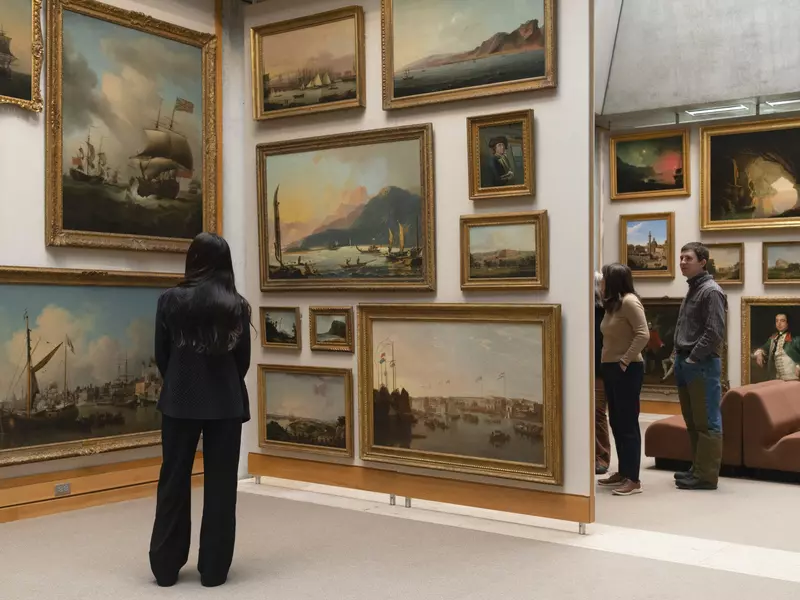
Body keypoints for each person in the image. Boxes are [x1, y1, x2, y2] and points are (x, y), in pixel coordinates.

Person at [149, 233, 252, 587]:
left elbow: (162, 356)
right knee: (222, 487)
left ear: (193, 259)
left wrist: (180, 380)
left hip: (179, 401)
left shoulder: (169, 300)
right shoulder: (236, 305)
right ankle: (214, 571)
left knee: (173, 481)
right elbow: (243, 363)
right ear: (225, 264)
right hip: (225, 403)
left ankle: (165, 567)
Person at [672, 242, 727, 491]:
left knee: (707, 422)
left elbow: (715, 332)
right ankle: (698, 469)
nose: (682, 262)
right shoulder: (693, 289)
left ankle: (706, 476)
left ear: (703, 262)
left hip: (701, 363)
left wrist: (693, 357)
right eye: (681, 257)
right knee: (693, 420)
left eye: (688, 258)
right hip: (687, 362)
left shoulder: (710, 291)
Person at [598, 263, 649, 496]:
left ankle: (633, 479)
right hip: (611, 369)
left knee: (628, 424)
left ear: (615, 280)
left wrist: (625, 361)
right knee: (616, 423)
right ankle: (623, 472)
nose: (601, 283)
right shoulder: (612, 305)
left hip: (627, 370)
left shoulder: (629, 301)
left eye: (604, 279)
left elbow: (643, 334)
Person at [594, 271, 611, 475]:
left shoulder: (606, 311)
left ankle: (602, 457)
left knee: (598, 414)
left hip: (600, 369)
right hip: (587, 367)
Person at [752, 313, 800, 381]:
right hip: (779, 379)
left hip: (794, 378)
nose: (779, 323)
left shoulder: (795, 338)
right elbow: (764, 347)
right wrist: (759, 353)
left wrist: (799, 366)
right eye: (777, 321)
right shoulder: (773, 338)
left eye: (782, 321)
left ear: (787, 323)